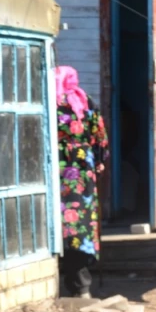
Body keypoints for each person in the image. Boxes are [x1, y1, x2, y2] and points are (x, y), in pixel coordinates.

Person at [55, 65, 108, 298]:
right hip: (82, 173)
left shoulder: (50, 102)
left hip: (55, 170)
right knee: (80, 226)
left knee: (57, 227)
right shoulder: (84, 100)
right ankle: (81, 286)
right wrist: (98, 160)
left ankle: (60, 283)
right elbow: (100, 137)